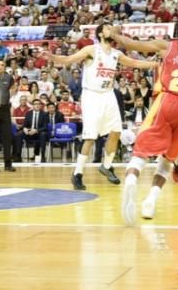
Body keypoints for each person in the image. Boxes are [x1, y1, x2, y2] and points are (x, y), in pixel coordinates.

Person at [108, 18, 178, 225]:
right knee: (167, 160)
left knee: (141, 151)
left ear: (177, 32)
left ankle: (131, 179)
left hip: (168, 100)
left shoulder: (168, 46)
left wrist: (116, 33)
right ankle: (150, 201)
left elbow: (132, 45)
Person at [43, 24, 156, 190]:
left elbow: (133, 62)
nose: (111, 30)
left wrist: (153, 65)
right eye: (108, 28)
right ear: (101, 33)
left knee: (116, 131)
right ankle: (77, 174)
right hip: (92, 96)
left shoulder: (116, 54)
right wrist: (52, 56)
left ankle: (106, 165)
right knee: (91, 137)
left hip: (108, 94)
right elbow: (68, 60)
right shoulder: (91, 50)